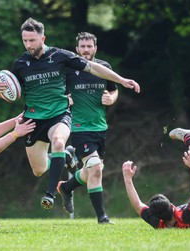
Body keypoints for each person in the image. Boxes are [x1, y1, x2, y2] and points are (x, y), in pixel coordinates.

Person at [0, 18, 141, 210]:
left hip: (59, 114)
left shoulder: (60, 55)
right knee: (39, 169)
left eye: (32, 40)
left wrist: (121, 80)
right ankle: (66, 157)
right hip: (33, 120)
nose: (28, 45)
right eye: (25, 41)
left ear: (42, 38)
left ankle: (50, 194)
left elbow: (92, 67)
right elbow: (11, 93)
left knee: (59, 141)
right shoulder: (20, 63)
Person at [56, 32, 123, 224]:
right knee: (95, 168)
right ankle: (102, 218)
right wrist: (64, 99)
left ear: (95, 48)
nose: (86, 50)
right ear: (76, 49)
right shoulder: (68, 69)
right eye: (82, 47)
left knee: (93, 169)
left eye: (89, 46)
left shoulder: (104, 67)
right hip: (78, 127)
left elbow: (113, 89)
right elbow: (56, 91)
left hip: (100, 127)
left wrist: (112, 98)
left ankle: (67, 187)